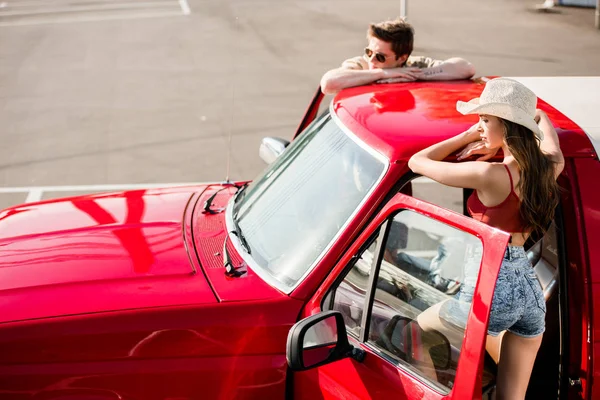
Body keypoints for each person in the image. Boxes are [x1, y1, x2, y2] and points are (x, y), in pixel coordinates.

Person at [408, 77, 564, 400]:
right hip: (529, 292)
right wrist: (537, 118)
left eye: (485, 119)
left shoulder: (490, 176)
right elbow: (553, 146)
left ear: (506, 127)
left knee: (416, 331)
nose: (478, 126)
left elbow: (417, 162)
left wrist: (464, 137)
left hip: (494, 287)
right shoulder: (546, 168)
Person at [320, 18, 476, 95]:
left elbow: (466, 68)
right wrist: (382, 73)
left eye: (380, 57)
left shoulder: (415, 65)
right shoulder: (361, 65)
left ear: (402, 58)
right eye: (369, 52)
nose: (372, 60)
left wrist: (415, 75)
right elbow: (328, 83)